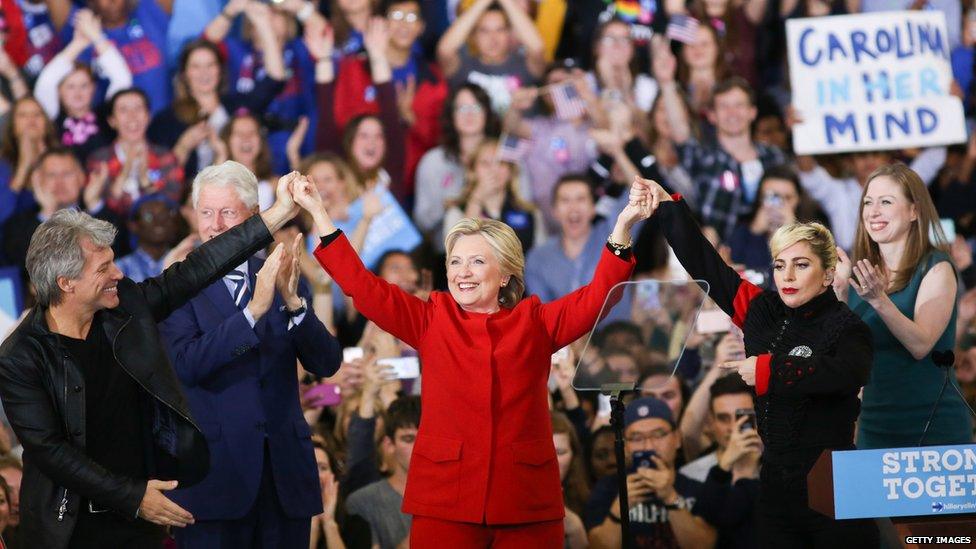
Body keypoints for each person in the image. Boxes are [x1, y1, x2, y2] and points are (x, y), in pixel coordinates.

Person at [292, 171, 648, 545]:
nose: (462, 273)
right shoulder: (432, 318)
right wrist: (319, 212)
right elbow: (363, 287)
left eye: (477, 262)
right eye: (455, 262)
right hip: (446, 500)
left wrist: (623, 225)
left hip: (524, 500)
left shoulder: (535, 322)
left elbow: (599, 297)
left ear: (506, 272)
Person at [0, 168, 303, 547]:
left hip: (141, 519)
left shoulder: (123, 308)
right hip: (69, 528)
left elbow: (196, 270)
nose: (119, 273)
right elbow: (52, 452)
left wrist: (277, 214)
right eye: (104, 268)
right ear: (66, 283)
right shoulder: (19, 358)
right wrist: (133, 496)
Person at [644, 177, 879, 545]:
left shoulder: (847, 325)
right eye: (780, 265)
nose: (787, 277)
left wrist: (768, 369)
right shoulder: (761, 309)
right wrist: (669, 207)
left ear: (828, 275)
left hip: (835, 476)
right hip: (774, 480)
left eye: (801, 265)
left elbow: (849, 372)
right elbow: (706, 263)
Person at [158, 162, 341, 547]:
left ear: (255, 217)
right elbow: (186, 366)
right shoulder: (175, 286)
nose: (216, 224)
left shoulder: (280, 272)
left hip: (284, 480)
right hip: (214, 483)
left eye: (228, 212)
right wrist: (251, 313)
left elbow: (326, 363)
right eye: (206, 213)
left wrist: (293, 304)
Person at [835, 163, 974, 448]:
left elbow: (921, 344)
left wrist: (879, 300)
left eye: (886, 202)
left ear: (914, 211)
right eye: (868, 202)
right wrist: (838, 292)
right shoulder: (861, 276)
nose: (873, 212)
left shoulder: (936, 268)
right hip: (875, 424)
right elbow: (843, 352)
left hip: (933, 424)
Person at [585, 396, 716, 548]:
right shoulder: (608, 487)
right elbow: (597, 546)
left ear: (677, 438)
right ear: (625, 447)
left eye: (658, 434)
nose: (648, 445)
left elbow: (704, 545)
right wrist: (621, 506)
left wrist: (670, 497)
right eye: (636, 438)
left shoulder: (698, 488)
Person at [1, 147, 127, 281]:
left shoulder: (102, 215)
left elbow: (118, 256)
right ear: (37, 180)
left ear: (82, 177)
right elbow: (26, 272)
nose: (59, 183)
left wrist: (94, 204)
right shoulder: (17, 226)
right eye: (51, 175)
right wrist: (48, 214)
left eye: (67, 174)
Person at [33, 8, 130, 163]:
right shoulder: (50, 116)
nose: (77, 92)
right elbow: (46, 81)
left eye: (84, 86)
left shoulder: (108, 116)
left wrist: (96, 37)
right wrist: (78, 44)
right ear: (58, 91)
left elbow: (122, 78)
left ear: (93, 88)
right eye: (70, 87)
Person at [525, 174, 632, 302]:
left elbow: (639, 196)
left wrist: (618, 154)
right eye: (565, 200)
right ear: (555, 211)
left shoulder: (616, 236)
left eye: (580, 199)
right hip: (563, 322)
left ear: (593, 208)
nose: (573, 207)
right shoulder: (538, 258)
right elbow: (542, 313)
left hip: (618, 322)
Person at [413, 82, 501, 237]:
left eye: (476, 107)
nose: (469, 114)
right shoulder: (434, 161)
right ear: (451, 115)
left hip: (500, 246)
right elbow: (422, 222)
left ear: (487, 114)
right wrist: (448, 204)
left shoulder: (503, 157)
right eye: (462, 108)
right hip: (445, 252)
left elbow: (524, 206)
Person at [87, 88, 185, 217]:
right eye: (123, 110)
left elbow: (171, 203)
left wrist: (145, 181)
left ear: (149, 116)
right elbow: (102, 212)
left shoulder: (165, 156)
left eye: (138, 108)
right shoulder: (100, 159)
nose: (132, 116)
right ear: (112, 121)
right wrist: (125, 172)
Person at [441, 139, 546, 255]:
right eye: (485, 163)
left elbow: (541, 260)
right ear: (473, 171)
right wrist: (476, 200)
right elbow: (459, 253)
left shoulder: (530, 213)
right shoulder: (456, 212)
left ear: (510, 171)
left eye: (501, 163)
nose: (494, 170)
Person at [437, 0, 544, 112]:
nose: (493, 38)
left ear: (509, 33)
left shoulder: (525, 65)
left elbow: (538, 48)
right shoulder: (462, 66)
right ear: (473, 36)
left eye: (500, 29)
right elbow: (444, 50)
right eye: (484, 31)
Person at [346, 395, 420, 548]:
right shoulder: (364, 501)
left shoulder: (456, 495)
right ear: (389, 444)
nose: (419, 448)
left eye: (425, 439)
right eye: (409, 439)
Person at [115, 195, 181, 282]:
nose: (159, 222)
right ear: (133, 225)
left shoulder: (182, 262)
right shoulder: (120, 269)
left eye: (164, 215)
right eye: (149, 217)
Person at [550, 411, 588, 549]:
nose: (553, 461)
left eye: (560, 452)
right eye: (546, 452)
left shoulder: (586, 497)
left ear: (573, 455)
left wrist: (576, 528)